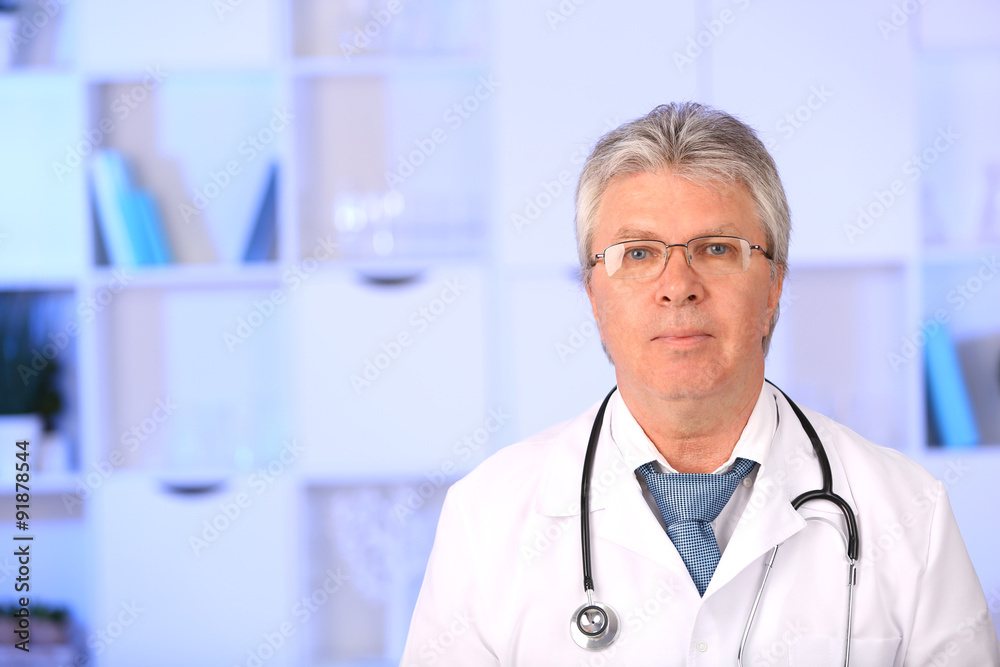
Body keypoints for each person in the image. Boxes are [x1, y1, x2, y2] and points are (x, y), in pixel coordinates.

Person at [400, 102, 1000, 666]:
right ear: (592, 295)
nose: (677, 284)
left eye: (716, 248)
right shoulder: (487, 517)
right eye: (637, 254)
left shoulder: (909, 513)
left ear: (773, 288)